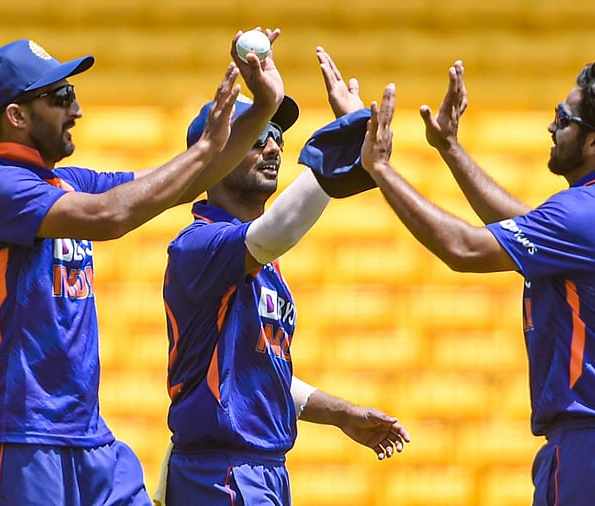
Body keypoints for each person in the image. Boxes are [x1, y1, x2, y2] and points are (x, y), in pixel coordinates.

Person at [0, 31, 286, 505]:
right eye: (61, 96)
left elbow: (187, 181)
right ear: (17, 115)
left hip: (88, 439)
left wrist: (265, 106)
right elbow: (110, 217)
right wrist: (205, 148)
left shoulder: (65, 182)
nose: (77, 110)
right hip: (17, 435)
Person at [359, 59, 595, 505]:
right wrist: (450, 147)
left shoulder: (586, 212)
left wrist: (381, 170)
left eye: (564, 119)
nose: (552, 127)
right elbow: (526, 227)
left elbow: (464, 249)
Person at [157, 47, 410, 506]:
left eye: (277, 137)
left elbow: (257, 372)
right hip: (222, 474)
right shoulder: (199, 245)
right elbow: (280, 230)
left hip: (264, 471)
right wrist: (347, 136)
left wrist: (342, 414)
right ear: (213, 157)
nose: (273, 147)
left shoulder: (262, 262)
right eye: (256, 138)